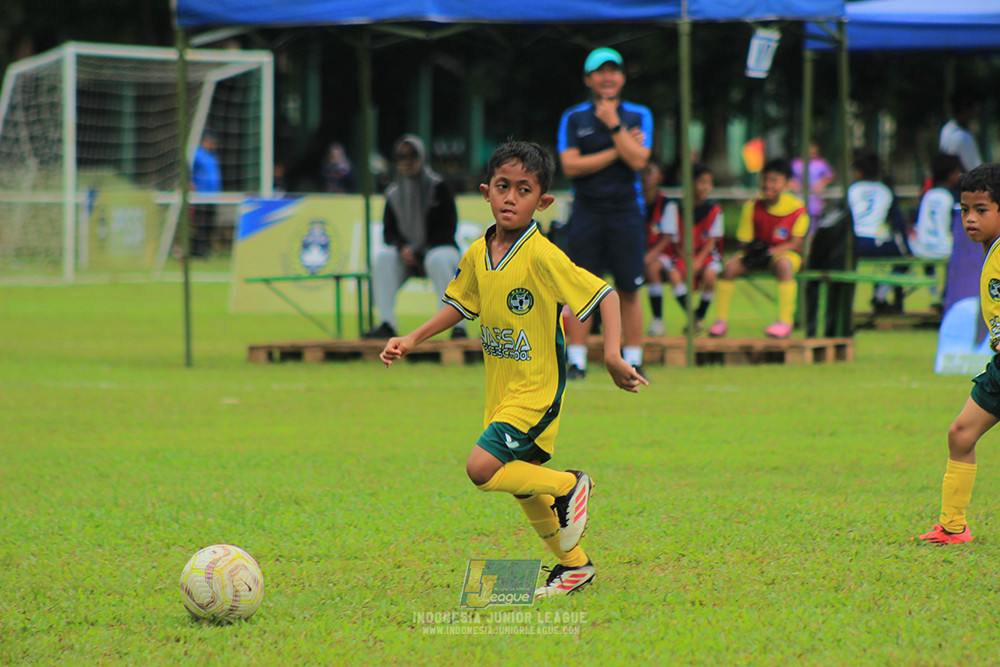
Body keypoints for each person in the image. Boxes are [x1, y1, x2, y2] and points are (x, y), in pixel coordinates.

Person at [379, 141, 648, 597]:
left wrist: (614, 355)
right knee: (523, 486)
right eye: (503, 187)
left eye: (523, 190)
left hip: (535, 392)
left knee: (482, 468)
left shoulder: (542, 255)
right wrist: (411, 338)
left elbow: (606, 295)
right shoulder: (477, 251)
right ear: (486, 191)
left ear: (541, 202)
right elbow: (459, 306)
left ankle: (570, 485)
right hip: (502, 394)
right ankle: (575, 566)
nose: (510, 198)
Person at [916, 162, 1000, 545]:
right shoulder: (992, 251)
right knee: (961, 434)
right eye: (965, 210)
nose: (970, 219)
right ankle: (953, 527)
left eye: (981, 210)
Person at [557, 47, 653, 379]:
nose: (607, 77)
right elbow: (570, 165)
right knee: (582, 287)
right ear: (588, 79)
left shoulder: (639, 115)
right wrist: (620, 148)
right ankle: (577, 361)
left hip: (626, 212)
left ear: (623, 78)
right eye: (600, 72)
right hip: (586, 212)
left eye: (613, 71)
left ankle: (634, 357)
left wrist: (613, 125)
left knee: (629, 287)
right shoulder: (574, 118)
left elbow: (640, 161)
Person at [363, 135, 464, 340]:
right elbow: (388, 232)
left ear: (422, 157)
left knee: (439, 258)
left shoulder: (439, 187)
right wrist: (403, 248)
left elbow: (448, 228)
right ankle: (386, 323)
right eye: (401, 157)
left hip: (438, 249)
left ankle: (456, 326)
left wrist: (423, 250)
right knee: (383, 258)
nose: (407, 161)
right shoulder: (393, 193)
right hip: (409, 255)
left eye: (412, 156)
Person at [708, 158, 808, 339]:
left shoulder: (797, 209)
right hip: (757, 255)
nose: (768, 185)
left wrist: (770, 252)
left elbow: (795, 243)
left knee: (784, 265)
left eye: (774, 181)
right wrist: (754, 250)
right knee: (729, 268)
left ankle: (785, 321)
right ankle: (720, 320)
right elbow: (744, 241)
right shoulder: (752, 207)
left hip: (784, 255)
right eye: (765, 180)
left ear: (786, 184)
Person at [645, 162, 723, 335]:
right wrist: (687, 259)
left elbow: (712, 241)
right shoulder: (676, 208)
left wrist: (698, 261)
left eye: (709, 183)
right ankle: (690, 316)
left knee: (710, 275)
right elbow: (674, 240)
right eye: (702, 182)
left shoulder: (714, 210)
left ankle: (700, 316)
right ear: (690, 183)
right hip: (682, 255)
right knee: (673, 274)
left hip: (704, 256)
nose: (706, 187)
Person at [847, 151, 909, 313]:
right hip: (877, 244)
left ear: (859, 172)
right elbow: (898, 224)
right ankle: (880, 296)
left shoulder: (852, 190)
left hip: (854, 243)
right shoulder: (885, 191)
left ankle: (844, 304)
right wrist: (907, 249)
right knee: (903, 262)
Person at [908, 153, 962, 304]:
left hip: (921, 248)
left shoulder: (927, 195)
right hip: (945, 250)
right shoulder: (954, 197)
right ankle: (946, 296)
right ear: (951, 174)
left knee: (929, 260)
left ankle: (933, 294)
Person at [190, 132, 221, 259]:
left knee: (209, 225)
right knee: (200, 225)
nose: (213, 145)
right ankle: (197, 252)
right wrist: (189, 183)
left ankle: (205, 250)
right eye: (210, 142)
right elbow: (188, 169)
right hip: (200, 196)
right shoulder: (196, 154)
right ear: (204, 142)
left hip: (212, 197)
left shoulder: (212, 157)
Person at [790, 141, 835, 222]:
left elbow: (829, 176)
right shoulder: (796, 163)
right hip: (799, 198)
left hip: (815, 199)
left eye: (814, 152)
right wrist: (794, 185)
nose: (813, 153)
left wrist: (819, 185)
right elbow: (789, 178)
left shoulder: (821, 163)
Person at [939, 90, 983, 172]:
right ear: (965, 108)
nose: (977, 110)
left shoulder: (946, 129)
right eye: (975, 106)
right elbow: (974, 170)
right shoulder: (963, 137)